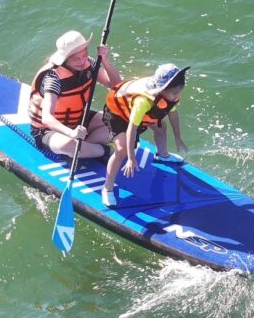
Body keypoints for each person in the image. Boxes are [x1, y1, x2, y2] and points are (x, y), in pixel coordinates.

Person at [100, 63, 189, 206]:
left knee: (161, 127)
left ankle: (162, 155)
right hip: (118, 115)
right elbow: (131, 129)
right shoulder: (143, 101)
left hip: (138, 115)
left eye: (179, 92)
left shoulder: (171, 96)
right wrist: (130, 158)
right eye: (174, 93)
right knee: (121, 149)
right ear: (162, 90)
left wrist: (178, 138)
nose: (177, 96)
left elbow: (173, 115)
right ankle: (107, 188)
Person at [28, 30, 122, 158]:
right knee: (67, 144)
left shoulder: (89, 63)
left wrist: (105, 61)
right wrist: (71, 133)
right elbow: (47, 118)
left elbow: (115, 85)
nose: (83, 61)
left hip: (77, 120)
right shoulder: (53, 79)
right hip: (49, 130)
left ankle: (84, 149)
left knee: (119, 122)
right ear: (65, 59)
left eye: (85, 55)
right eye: (76, 59)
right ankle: (104, 151)